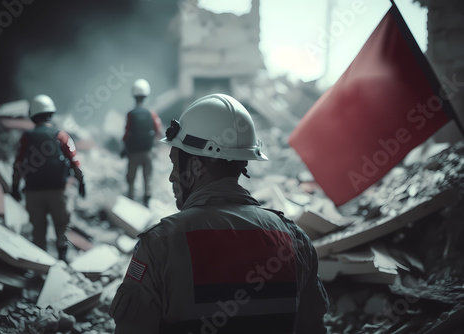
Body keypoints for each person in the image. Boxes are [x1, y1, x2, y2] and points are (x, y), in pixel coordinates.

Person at [109, 94, 329, 333]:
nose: (173, 176)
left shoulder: (160, 244)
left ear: (195, 166)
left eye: (175, 163)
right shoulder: (295, 240)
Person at [11, 94, 85, 262]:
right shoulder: (61, 135)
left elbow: (18, 165)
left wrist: (15, 186)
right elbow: (74, 162)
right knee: (61, 226)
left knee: (38, 230)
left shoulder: (26, 138)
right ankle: (62, 260)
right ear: (51, 114)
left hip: (33, 192)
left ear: (32, 115)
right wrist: (81, 181)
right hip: (57, 191)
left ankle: (40, 266)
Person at [122, 78, 162, 207]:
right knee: (148, 178)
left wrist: (124, 148)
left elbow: (127, 133)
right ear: (146, 96)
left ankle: (130, 202)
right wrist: (153, 144)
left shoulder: (130, 114)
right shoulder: (152, 114)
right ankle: (147, 202)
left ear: (134, 96)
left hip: (134, 153)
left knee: (131, 179)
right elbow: (158, 131)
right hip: (148, 152)